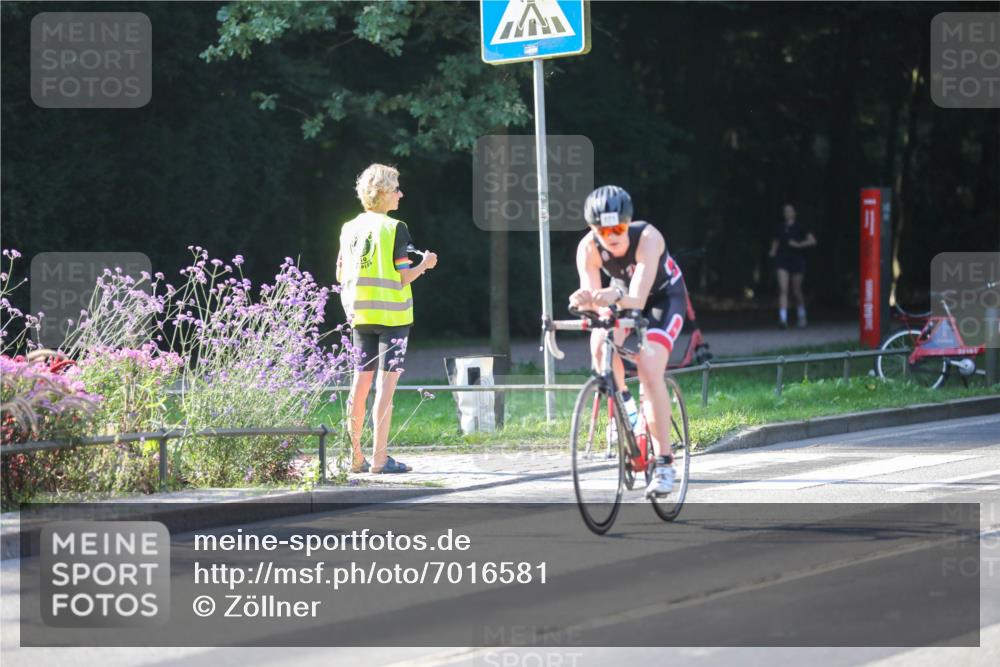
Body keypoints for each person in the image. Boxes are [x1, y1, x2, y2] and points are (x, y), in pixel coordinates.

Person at [568, 185, 686, 498]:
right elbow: (594, 300)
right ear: (593, 229)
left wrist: (610, 296)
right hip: (621, 295)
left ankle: (664, 462)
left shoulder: (649, 237)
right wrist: (583, 300)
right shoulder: (587, 248)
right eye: (603, 230)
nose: (612, 236)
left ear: (628, 222)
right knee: (598, 343)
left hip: (661, 297)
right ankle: (630, 415)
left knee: (648, 366)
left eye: (619, 227)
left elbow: (637, 295)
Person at [336, 164, 437, 474]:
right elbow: (403, 276)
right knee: (385, 388)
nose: (400, 194)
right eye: (395, 189)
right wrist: (427, 265)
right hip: (393, 317)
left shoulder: (348, 227)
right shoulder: (395, 228)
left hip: (360, 315)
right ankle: (380, 459)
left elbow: (339, 273)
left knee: (359, 386)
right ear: (381, 193)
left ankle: (354, 457)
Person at [768, 204, 817, 328]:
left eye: (790, 211)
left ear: (794, 213)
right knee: (783, 289)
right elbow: (775, 242)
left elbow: (812, 241)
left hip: (797, 260)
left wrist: (799, 244)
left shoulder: (800, 227)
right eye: (785, 211)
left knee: (796, 291)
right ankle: (783, 319)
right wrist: (773, 251)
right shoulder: (779, 228)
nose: (788, 213)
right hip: (782, 260)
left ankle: (802, 315)